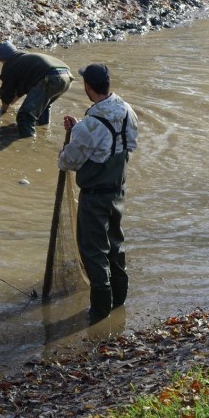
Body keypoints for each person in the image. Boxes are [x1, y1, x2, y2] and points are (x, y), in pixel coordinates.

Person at [57, 64, 139, 323]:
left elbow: (66, 162)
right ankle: (120, 300)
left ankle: (100, 311)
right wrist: (80, 127)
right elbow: (122, 143)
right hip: (118, 191)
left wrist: (74, 135)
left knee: (93, 251)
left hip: (94, 196)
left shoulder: (90, 125)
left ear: (88, 87)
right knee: (115, 243)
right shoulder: (127, 111)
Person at [0, 40, 73, 137]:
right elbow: (20, 91)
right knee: (42, 108)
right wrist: (10, 104)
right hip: (67, 77)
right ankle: (43, 133)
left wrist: (3, 111)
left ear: (2, 59)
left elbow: (7, 92)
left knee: (24, 117)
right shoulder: (24, 59)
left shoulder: (10, 65)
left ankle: (28, 144)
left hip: (51, 78)